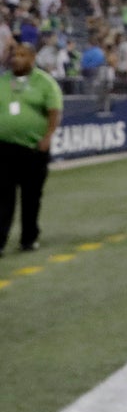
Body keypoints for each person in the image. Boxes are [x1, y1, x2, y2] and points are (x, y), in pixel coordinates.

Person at [0, 41, 62, 254]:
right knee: (3, 197)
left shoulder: (45, 82)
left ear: (32, 58)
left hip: (33, 149)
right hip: (5, 149)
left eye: (22, 55)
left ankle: (28, 238)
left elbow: (54, 110)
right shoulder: (3, 81)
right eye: (15, 55)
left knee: (31, 197)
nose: (16, 59)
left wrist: (48, 135)